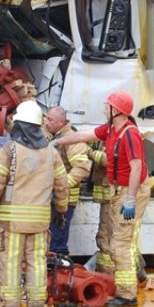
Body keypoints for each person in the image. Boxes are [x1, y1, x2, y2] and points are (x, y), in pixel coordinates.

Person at [53, 91, 148, 307]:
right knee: (116, 241)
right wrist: (60, 141)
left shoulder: (130, 134)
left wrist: (130, 199)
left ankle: (127, 295)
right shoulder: (111, 129)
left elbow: (136, 168)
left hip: (131, 190)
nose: (104, 108)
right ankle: (124, 290)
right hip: (120, 189)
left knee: (120, 243)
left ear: (117, 111)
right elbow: (86, 136)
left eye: (107, 106)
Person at [0, 100, 68, 307]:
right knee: (37, 263)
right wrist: (62, 211)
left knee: (10, 263)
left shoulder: (10, 150)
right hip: (39, 223)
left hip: (12, 224)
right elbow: (62, 184)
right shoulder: (50, 153)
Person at [42, 105, 92, 255]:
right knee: (48, 242)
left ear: (60, 122)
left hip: (63, 200)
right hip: (49, 198)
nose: (45, 122)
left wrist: (61, 186)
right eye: (45, 118)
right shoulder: (51, 135)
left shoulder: (72, 140)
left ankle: (60, 273)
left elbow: (82, 169)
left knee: (57, 244)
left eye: (49, 119)